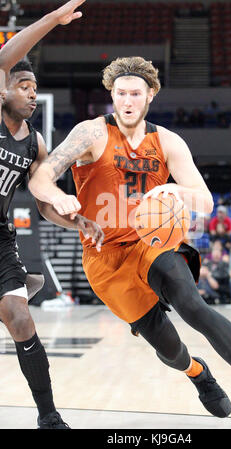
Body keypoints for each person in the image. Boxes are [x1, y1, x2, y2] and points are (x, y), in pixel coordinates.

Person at [28, 56, 231, 428]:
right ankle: (196, 372)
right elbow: (40, 177)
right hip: (104, 258)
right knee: (168, 347)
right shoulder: (91, 133)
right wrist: (58, 196)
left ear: (150, 94)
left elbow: (206, 201)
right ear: (112, 94)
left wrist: (175, 189)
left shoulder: (167, 141)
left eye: (135, 93)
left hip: (152, 241)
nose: (127, 101)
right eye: (120, 93)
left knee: (192, 304)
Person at [0, 0, 103, 429]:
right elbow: (3, 58)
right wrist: (50, 21)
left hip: (0, 236)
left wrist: (77, 220)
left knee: (20, 318)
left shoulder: (35, 144)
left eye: (34, 87)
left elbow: (45, 203)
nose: (29, 92)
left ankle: (48, 415)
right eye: (23, 84)